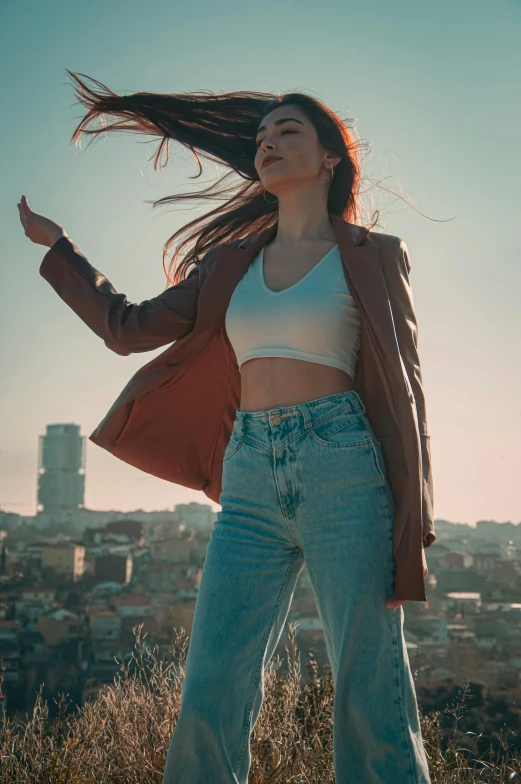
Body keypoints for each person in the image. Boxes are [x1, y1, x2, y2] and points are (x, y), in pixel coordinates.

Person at [17, 74, 435, 783]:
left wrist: (410, 527)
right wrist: (61, 251)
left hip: (345, 470)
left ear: (331, 157)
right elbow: (127, 330)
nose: (268, 143)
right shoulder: (229, 263)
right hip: (248, 475)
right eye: (262, 135)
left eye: (288, 132)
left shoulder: (372, 254)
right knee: (211, 684)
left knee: (369, 691)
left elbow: (405, 396)